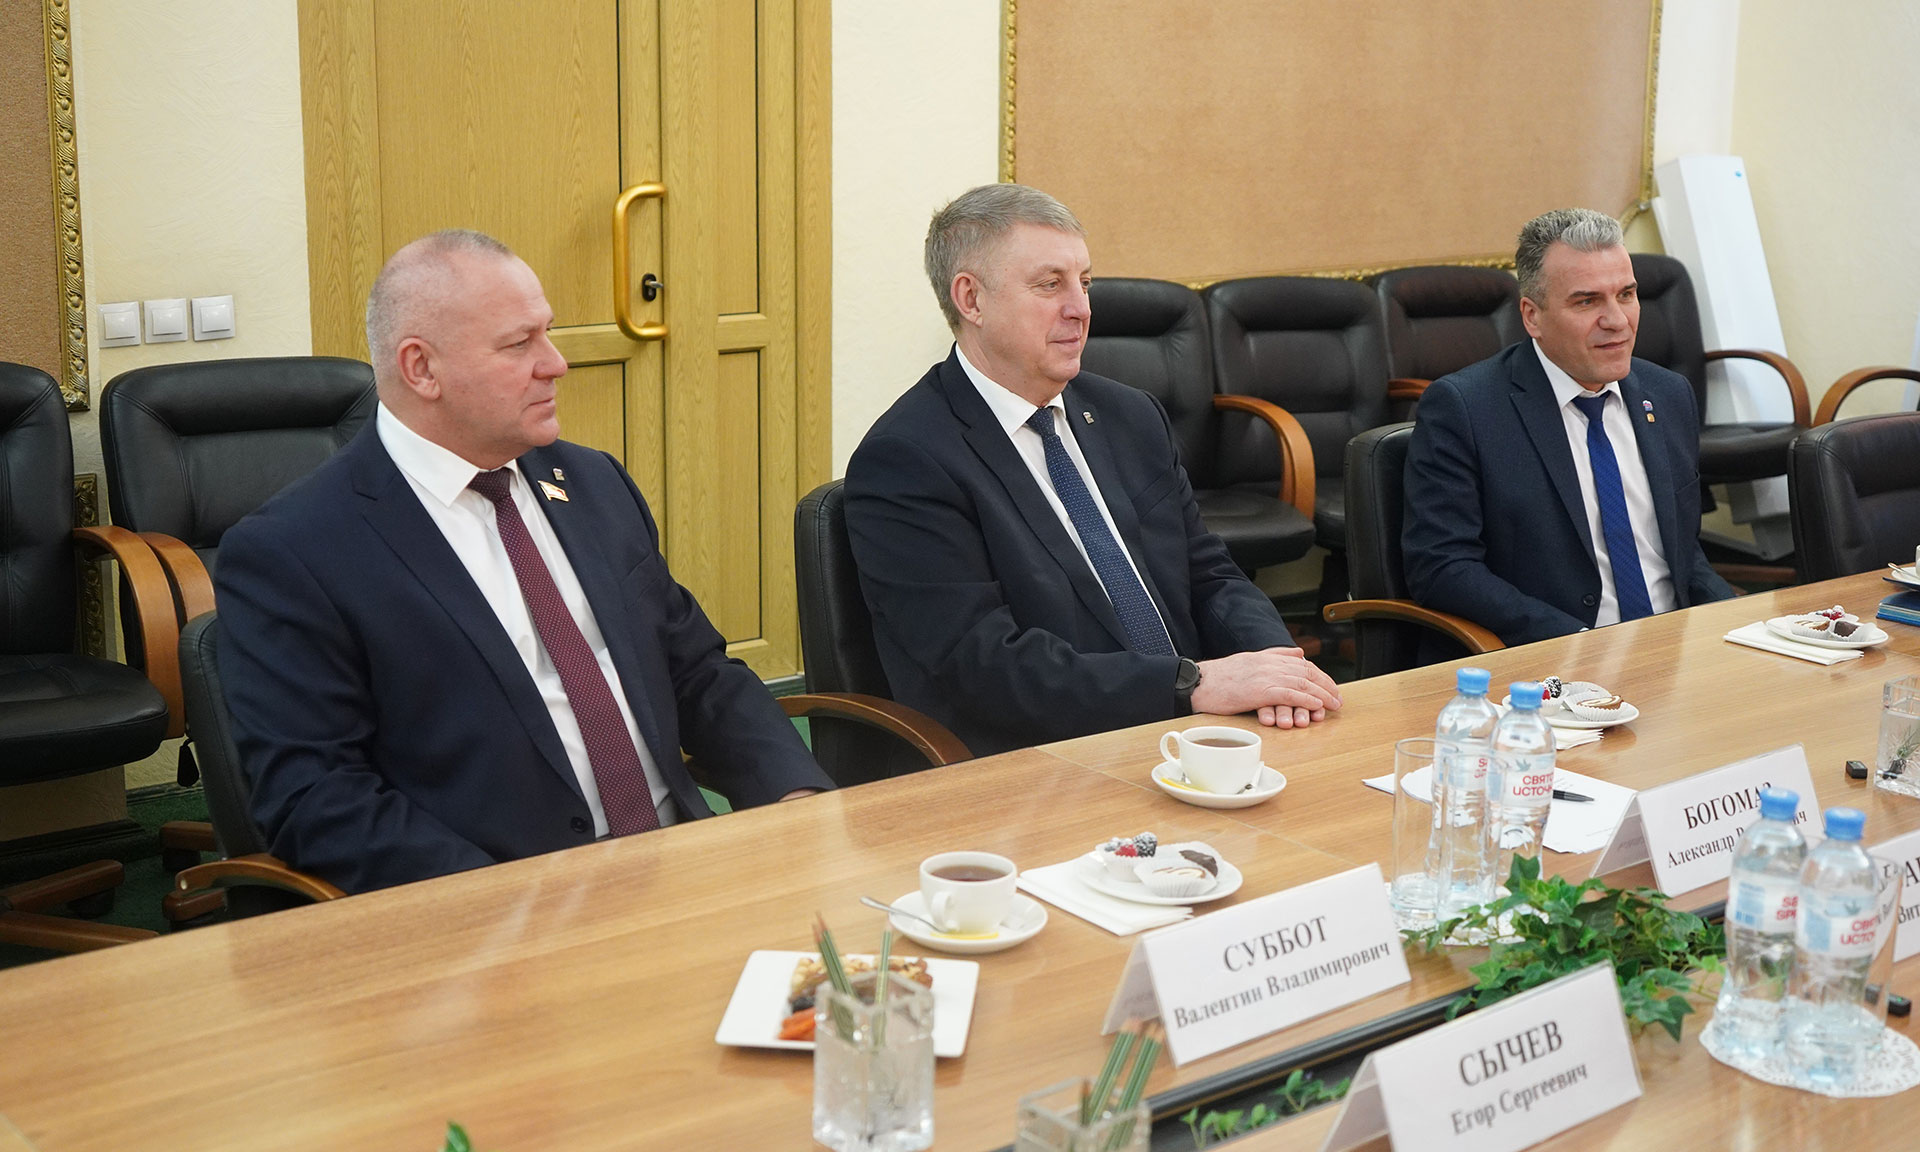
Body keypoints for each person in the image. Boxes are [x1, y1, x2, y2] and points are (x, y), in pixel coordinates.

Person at [217, 230, 831, 893]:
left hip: (676, 863)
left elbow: (696, 669)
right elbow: (317, 797)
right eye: (519, 344)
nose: (556, 364)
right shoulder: (296, 550)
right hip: (495, 902)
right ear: (422, 369)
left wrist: (792, 792)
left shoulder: (591, 482)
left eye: (549, 333)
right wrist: (507, 903)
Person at [843, 184, 1342, 757]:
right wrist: (1191, 685)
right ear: (971, 300)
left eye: (1084, 282)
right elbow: (982, 663)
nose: (1080, 308)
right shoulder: (908, 458)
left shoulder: (1130, 414)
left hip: (1191, 731)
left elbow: (1209, 574)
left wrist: (1277, 668)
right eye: (1049, 284)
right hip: (1048, 757)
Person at [1402, 207, 1736, 647]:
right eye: (1587, 301)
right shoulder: (1465, 409)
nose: (1617, 320)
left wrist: (1739, 622)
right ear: (1532, 316)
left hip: (1675, 647)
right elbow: (1442, 568)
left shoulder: (1668, 394)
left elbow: (1681, 552)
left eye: (1626, 294)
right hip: (1555, 655)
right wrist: (1577, 643)